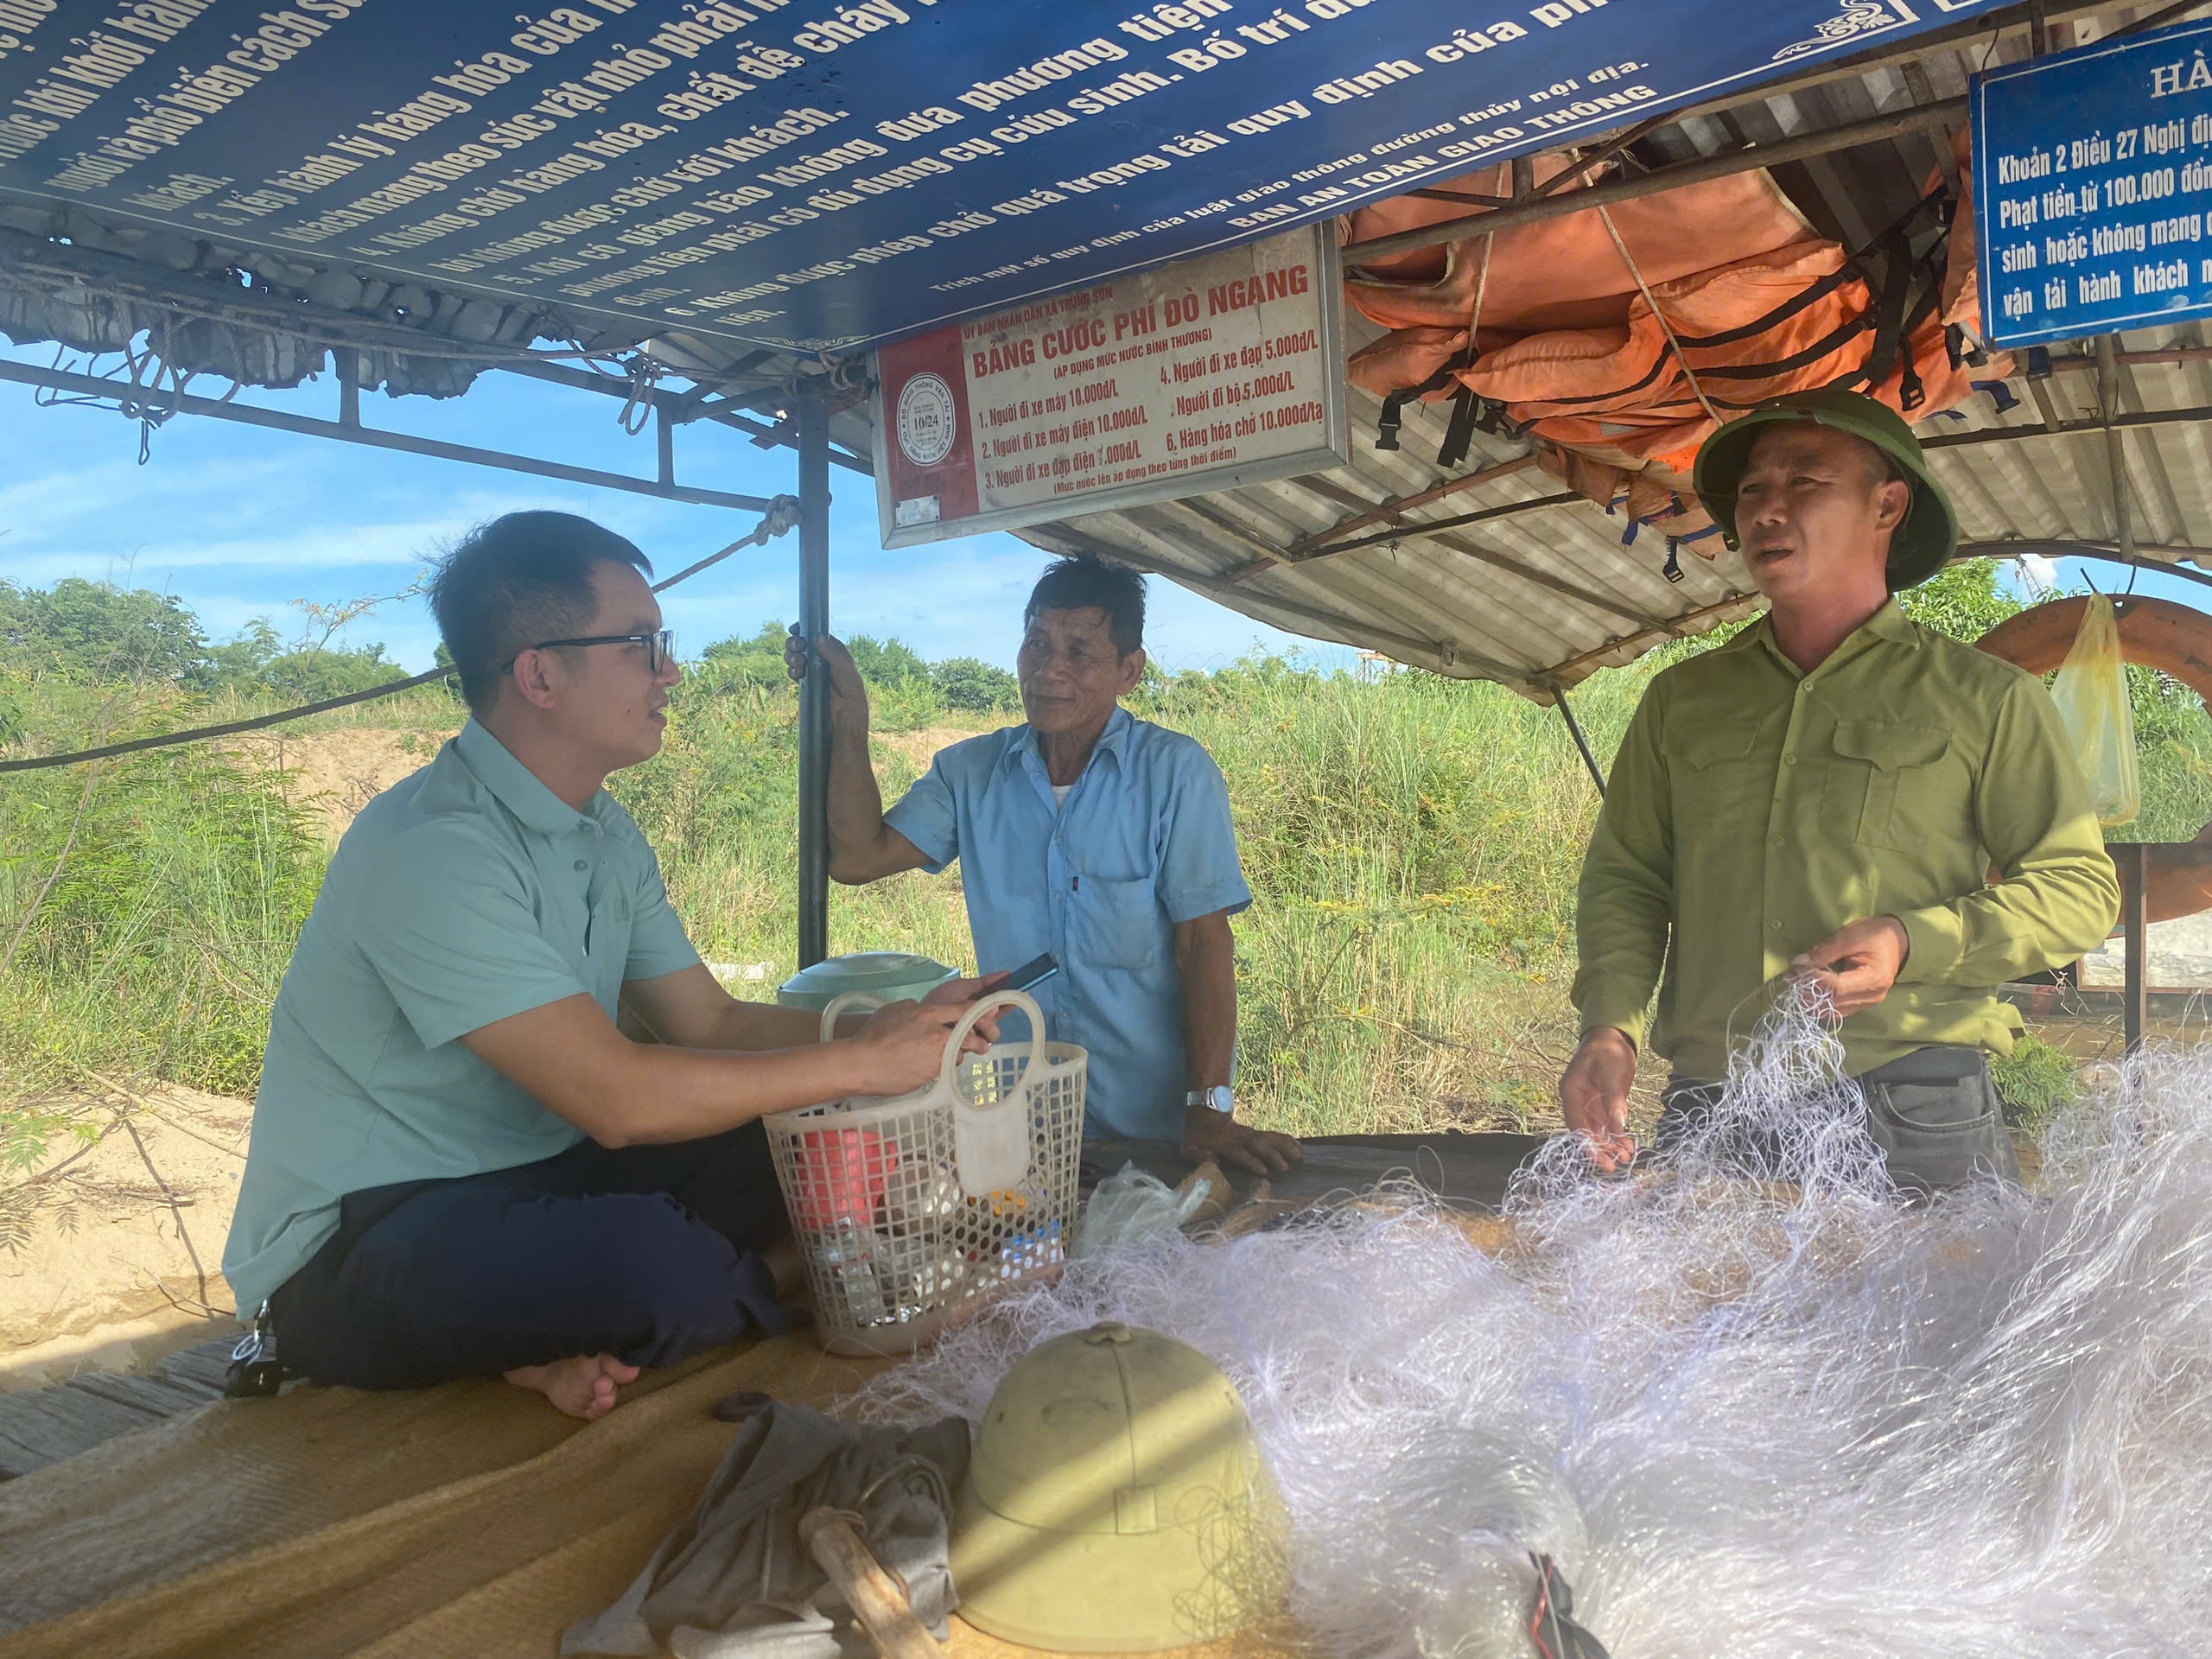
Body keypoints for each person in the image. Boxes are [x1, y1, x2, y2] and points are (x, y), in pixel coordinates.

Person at [224, 512, 1000, 1420]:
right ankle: (794, 1279)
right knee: (647, 1260)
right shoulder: (436, 851)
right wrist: (866, 1063)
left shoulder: (603, 829)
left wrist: (888, 1036)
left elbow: (709, 1027)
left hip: (540, 1172)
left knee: (807, 1129)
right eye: (642, 645)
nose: (670, 671)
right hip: (365, 1234)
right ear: (541, 673)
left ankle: (548, 1334)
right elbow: (618, 1101)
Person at [1560, 388, 2120, 1193]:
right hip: (1717, 1103)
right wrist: (1611, 1024)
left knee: (1938, 1322)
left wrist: (1910, 940)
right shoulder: (1682, 703)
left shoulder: (1986, 700)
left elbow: (2077, 891)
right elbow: (1628, 878)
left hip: (1912, 1097)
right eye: (1753, 489)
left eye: (1805, 483)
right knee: (1717, 1320)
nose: (1767, 510)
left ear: (1887, 504)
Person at [786, 556, 1300, 1174]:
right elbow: (858, 857)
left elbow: (1204, 946)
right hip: (1023, 1126)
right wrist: (849, 718)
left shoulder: (1175, 774)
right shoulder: (969, 772)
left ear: (1129, 671)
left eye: (1080, 651)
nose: (1049, 669)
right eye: (1037, 643)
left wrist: (1209, 1109)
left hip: (1159, 1134)